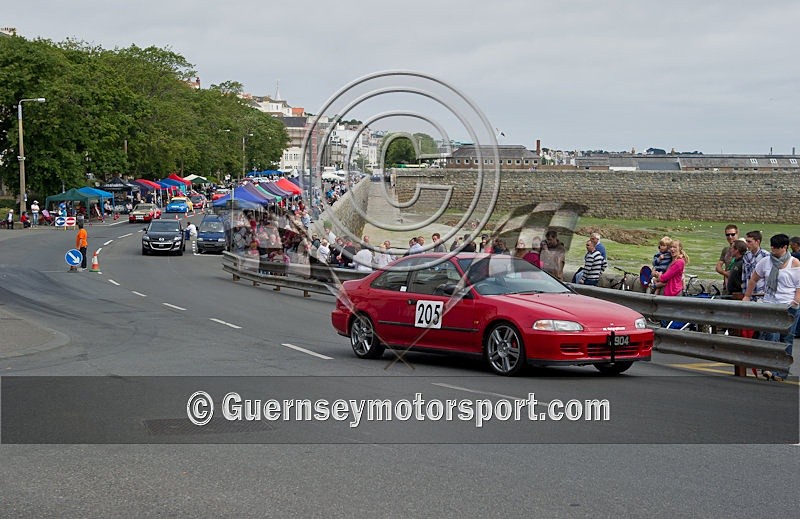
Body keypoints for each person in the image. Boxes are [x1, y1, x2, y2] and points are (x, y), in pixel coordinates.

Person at [742, 234, 800, 381]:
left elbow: (799, 286)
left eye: (776, 247)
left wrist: (795, 301)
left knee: (786, 339)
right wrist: (747, 296)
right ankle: (769, 368)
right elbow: (754, 279)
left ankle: (781, 372)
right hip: (770, 304)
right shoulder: (765, 261)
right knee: (770, 336)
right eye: (772, 246)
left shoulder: (795, 263)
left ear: (785, 247)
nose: (773, 249)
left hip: (788, 306)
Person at [742, 230, 769, 300]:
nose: (747, 244)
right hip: (748, 295)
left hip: (761, 295)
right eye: (746, 241)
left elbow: (768, 278)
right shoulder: (746, 256)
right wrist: (744, 292)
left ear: (757, 242)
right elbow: (744, 276)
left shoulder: (766, 256)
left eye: (749, 241)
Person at [715, 224, 738, 291]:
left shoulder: (743, 249)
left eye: (733, 234)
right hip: (727, 285)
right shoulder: (725, 250)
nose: (730, 237)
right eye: (727, 235)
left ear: (737, 234)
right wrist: (726, 273)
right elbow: (718, 267)